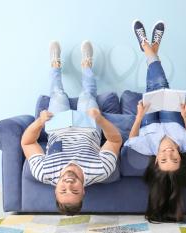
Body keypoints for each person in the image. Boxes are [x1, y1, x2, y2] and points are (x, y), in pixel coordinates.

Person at [21, 41, 122, 215]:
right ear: (83, 191)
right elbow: (115, 140)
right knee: (87, 95)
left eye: (63, 190)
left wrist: (39, 121)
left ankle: (55, 64)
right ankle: (87, 64)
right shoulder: (101, 170)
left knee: (58, 95)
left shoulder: (43, 172)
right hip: (88, 126)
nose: (68, 184)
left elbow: (27, 143)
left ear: (55, 190)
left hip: (57, 126)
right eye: (74, 191)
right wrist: (100, 119)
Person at [125, 20, 186, 222]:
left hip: (149, 121)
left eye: (164, 159)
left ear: (156, 161)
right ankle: (147, 47)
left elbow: (131, 138)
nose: (168, 153)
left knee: (153, 89)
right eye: (174, 159)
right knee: (161, 85)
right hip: (173, 119)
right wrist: (185, 116)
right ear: (180, 157)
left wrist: (139, 117)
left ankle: (149, 48)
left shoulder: (147, 148)